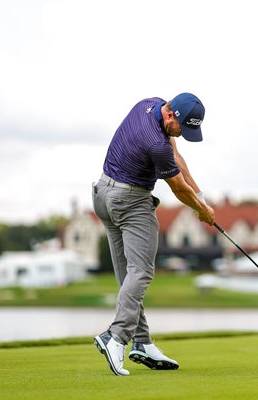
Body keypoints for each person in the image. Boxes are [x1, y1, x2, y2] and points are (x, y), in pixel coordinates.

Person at [92, 93, 215, 376]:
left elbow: (178, 159)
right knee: (142, 272)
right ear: (171, 117)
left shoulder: (151, 104)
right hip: (130, 201)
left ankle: (142, 342)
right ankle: (116, 336)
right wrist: (202, 211)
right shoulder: (155, 144)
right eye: (183, 129)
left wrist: (201, 197)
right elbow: (177, 188)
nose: (184, 135)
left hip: (102, 196)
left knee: (128, 275)